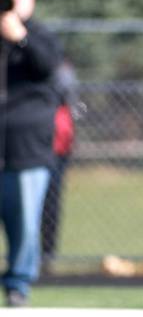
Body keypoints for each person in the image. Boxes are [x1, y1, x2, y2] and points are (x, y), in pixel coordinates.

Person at [0, 0, 62, 307]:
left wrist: (19, 37)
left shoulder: (40, 35)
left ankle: (18, 283)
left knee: (24, 220)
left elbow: (46, 66)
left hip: (27, 147)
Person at [41, 60, 82, 273]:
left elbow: (70, 100)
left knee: (50, 201)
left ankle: (46, 256)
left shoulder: (60, 70)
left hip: (55, 147)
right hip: (24, 146)